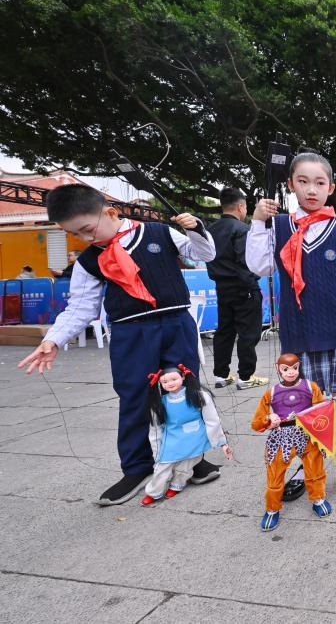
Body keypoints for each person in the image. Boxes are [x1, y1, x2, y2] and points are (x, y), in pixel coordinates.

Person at [18, 184, 220, 505]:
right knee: (135, 398)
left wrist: (196, 228)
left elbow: (205, 254)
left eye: (87, 229)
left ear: (110, 213)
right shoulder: (89, 261)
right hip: (130, 334)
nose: (85, 239)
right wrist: (53, 340)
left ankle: (191, 462)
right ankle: (137, 468)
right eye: (76, 234)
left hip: (176, 324)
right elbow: (81, 307)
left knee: (183, 393)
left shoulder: (160, 233)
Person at [247, 152, 336, 504]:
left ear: (331, 187)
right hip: (298, 329)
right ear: (290, 185)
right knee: (301, 401)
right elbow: (259, 266)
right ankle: (307, 466)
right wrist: (258, 223)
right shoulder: (279, 226)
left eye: (320, 183)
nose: (311, 190)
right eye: (303, 181)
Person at [251, 353, 331, 531]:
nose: (290, 372)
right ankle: (272, 509)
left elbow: (321, 411)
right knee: (275, 475)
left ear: (300, 366)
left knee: (315, 468)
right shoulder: (270, 393)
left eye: (294, 368)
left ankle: (318, 498)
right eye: (285, 369)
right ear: (277, 368)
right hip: (281, 437)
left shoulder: (311, 387)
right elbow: (256, 423)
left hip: (307, 434)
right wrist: (268, 419)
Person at [142, 364, 232, 506]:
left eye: (173, 379)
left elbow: (212, 420)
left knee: (187, 464)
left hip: (196, 437)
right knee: (162, 467)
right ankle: (153, 492)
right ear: (159, 383)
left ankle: (177, 485)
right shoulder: (159, 404)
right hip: (172, 439)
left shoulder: (199, 395)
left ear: (183, 377)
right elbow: (155, 430)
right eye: (165, 382)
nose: (170, 384)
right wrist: (156, 451)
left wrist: (222, 442)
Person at [207, 187, 267, 390]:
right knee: (249, 333)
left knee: (225, 331)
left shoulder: (210, 230)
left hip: (222, 287)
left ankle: (221, 375)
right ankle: (246, 376)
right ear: (241, 206)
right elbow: (246, 262)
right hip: (244, 287)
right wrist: (254, 281)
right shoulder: (241, 229)